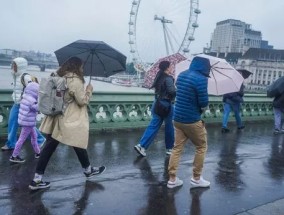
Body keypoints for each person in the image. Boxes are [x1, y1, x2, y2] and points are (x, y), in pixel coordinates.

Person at [29, 57, 106, 190]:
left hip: (55, 115)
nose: (82, 69)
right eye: (81, 66)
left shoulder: (59, 75)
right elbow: (82, 101)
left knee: (71, 143)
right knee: (60, 145)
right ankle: (36, 180)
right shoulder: (75, 80)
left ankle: (88, 170)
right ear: (77, 67)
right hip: (67, 118)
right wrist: (89, 90)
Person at [167, 56, 211, 189]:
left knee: (176, 148)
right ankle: (196, 178)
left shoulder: (182, 75)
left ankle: (172, 179)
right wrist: (204, 107)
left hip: (177, 118)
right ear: (205, 67)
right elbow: (203, 103)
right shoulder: (201, 79)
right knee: (201, 147)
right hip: (192, 120)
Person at [1, 57, 45, 151]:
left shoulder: (26, 77)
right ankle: (11, 144)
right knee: (12, 123)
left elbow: (34, 90)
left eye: (15, 65)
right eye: (12, 64)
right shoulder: (16, 76)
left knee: (26, 126)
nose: (13, 67)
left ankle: (40, 139)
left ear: (20, 66)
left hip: (24, 105)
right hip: (16, 104)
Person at [134, 61, 176, 157]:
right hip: (166, 105)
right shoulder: (168, 78)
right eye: (171, 66)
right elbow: (171, 92)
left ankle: (141, 145)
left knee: (153, 126)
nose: (172, 68)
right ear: (167, 68)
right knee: (169, 127)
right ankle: (169, 149)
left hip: (156, 104)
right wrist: (175, 90)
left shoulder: (158, 76)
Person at [9, 82, 41, 163]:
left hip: (26, 121)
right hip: (28, 123)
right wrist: (40, 99)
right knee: (21, 139)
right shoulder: (32, 101)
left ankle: (38, 152)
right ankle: (14, 156)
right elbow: (38, 108)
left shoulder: (25, 96)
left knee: (34, 137)